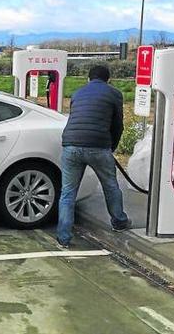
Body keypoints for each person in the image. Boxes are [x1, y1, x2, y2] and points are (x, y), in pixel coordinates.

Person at [56, 65, 131, 249]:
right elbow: (118, 125)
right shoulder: (114, 94)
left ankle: (63, 237)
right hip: (98, 145)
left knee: (67, 193)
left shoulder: (77, 93)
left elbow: (75, 118)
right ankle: (119, 221)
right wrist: (111, 147)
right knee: (111, 185)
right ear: (109, 79)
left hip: (71, 145)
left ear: (88, 79)